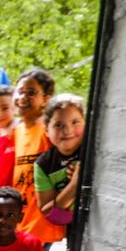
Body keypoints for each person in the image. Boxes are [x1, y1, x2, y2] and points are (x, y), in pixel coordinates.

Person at [11, 68, 64, 247]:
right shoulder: (17, 131)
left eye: (31, 92)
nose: (23, 97)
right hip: (20, 225)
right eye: (20, 91)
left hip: (44, 228)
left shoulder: (50, 131)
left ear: (46, 99)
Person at [35, 93, 86, 231]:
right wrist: (74, 186)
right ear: (46, 130)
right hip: (75, 230)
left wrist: (60, 204)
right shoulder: (43, 164)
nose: (68, 130)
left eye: (75, 122)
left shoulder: (93, 151)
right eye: (58, 125)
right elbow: (50, 214)